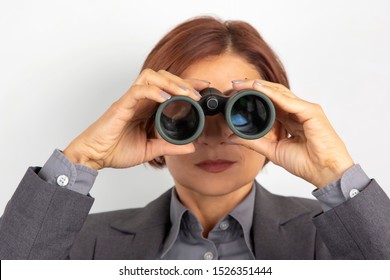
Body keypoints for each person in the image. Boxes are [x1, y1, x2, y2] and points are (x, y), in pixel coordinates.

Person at [0, 16, 389, 260]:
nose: (215, 136)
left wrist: (335, 173)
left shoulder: (336, 241)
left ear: (279, 120)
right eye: (187, 115)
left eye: (244, 113)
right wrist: (84, 158)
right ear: (150, 121)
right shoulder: (81, 243)